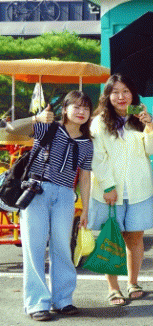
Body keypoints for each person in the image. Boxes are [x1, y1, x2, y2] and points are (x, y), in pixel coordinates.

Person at [6, 92, 94, 321]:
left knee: (62, 248)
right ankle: (37, 303)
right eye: (76, 107)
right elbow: (11, 129)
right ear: (64, 109)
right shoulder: (49, 127)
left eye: (86, 108)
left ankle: (62, 300)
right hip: (36, 190)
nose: (81, 112)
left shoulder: (87, 143)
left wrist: (85, 209)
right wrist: (36, 119)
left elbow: (85, 177)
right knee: (34, 248)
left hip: (65, 195)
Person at [88, 74, 153, 306]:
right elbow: (97, 157)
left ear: (133, 94)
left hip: (139, 188)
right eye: (115, 92)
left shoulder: (138, 117)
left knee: (135, 237)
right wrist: (108, 186)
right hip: (110, 191)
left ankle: (133, 282)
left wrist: (149, 125)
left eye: (126, 91)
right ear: (107, 96)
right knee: (112, 237)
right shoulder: (99, 121)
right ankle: (113, 288)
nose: (121, 97)